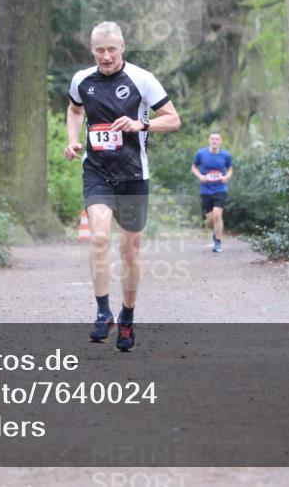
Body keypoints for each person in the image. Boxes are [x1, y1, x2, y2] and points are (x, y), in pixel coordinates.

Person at [65, 22, 181, 351]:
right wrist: (73, 141)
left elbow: (173, 119)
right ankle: (103, 313)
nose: (105, 56)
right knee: (99, 237)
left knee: (129, 252)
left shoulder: (141, 79)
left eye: (111, 50)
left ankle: (127, 317)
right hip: (97, 171)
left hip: (133, 175)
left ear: (122, 47)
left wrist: (141, 124)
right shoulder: (81, 80)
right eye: (99, 50)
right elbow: (74, 111)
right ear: (92, 50)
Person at [191, 132, 233, 253]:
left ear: (220, 141)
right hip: (205, 189)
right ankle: (216, 232)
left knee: (217, 215)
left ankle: (218, 242)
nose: (214, 141)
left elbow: (230, 169)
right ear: (209, 140)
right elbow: (194, 167)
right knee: (210, 219)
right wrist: (200, 176)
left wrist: (227, 177)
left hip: (220, 188)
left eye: (217, 139)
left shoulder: (226, 155)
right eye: (212, 138)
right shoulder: (201, 154)